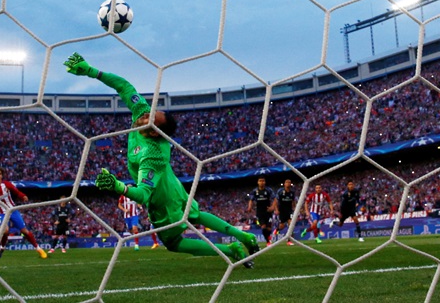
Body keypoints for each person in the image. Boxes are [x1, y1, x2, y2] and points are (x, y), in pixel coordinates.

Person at [64, 52, 259, 267]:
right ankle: (245, 237)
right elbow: (125, 87)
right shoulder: (141, 113)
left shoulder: (153, 155)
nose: (143, 116)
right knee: (195, 214)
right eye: (150, 113)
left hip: (163, 197)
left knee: (174, 242)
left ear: (156, 132)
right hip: (172, 184)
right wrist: (92, 71)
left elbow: (142, 195)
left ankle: (230, 249)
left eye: (150, 118)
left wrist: (118, 186)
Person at [0, 166, 48, 259]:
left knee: (24, 231)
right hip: (1, 213)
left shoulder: (7, 184)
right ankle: (2, 247)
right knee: (5, 230)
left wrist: (23, 196)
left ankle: (38, 249)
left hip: (13, 210)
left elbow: (17, 192)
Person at [247, 176, 276, 246]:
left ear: (265, 182)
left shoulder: (268, 190)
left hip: (268, 211)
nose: (261, 182)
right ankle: (268, 241)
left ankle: (269, 238)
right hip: (259, 212)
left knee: (269, 228)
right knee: (263, 227)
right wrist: (249, 207)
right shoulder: (255, 191)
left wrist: (272, 207)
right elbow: (251, 200)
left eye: (263, 181)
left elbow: (275, 199)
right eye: (260, 181)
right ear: (258, 182)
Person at [273, 179, 296, 246]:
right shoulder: (280, 191)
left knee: (291, 225)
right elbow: (276, 201)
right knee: (282, 226)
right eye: (287, 182)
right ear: (284, 184)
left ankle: (289, 240)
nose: (288, 183)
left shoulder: (292, 192)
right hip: (282, 211)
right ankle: (277, 229)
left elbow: (293, 201)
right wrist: (276, 209)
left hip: (289, 211)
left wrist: (295, 208)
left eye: (289, 182)